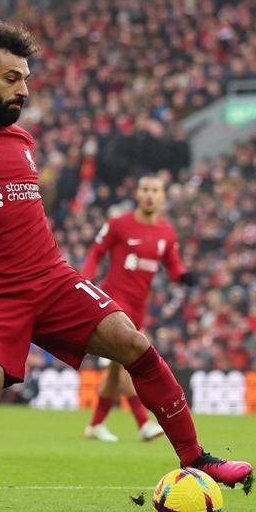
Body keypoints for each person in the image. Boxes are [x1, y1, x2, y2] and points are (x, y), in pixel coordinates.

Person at [0, 21, 253, 512]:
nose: (24, 88)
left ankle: (195, 457)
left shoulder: (20, 137)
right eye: (12, 78)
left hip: (51, 278)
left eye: (26, 78)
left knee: (134, 343)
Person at [79, 175, 197, 442]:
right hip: (113, 304)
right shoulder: (118, 225)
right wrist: (84, 281)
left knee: (114, 367)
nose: (149, 195)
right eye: (145, 189)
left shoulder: (166, 232)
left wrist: (185, 277)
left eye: (155, 190)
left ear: (163, 197)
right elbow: (96, 252)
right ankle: (143, 423)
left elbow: (173, 266)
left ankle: (96, 425)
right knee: (125, 362)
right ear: (137, 193)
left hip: (139, 307)